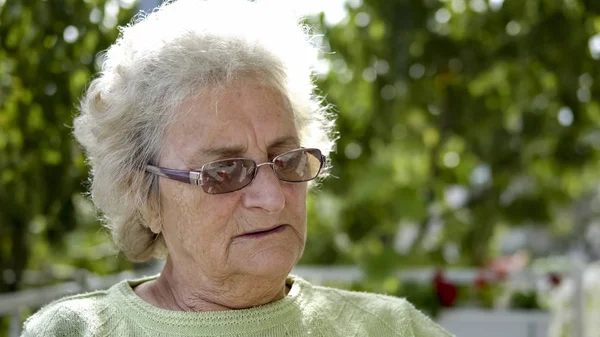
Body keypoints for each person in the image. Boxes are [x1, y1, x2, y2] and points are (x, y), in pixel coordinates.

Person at [22, 0, 453, 336]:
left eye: (285, 160)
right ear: (145, 196)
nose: (272, 197)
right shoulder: (77, 331)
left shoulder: (391, 328)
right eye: (224, 172)